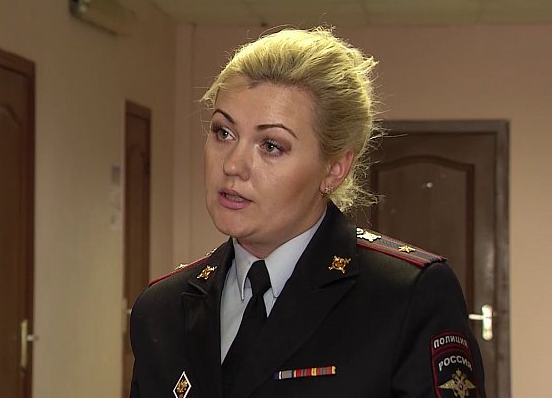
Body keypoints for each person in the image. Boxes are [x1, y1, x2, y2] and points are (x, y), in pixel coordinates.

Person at [129, 27, 486, 398]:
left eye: (271, 145)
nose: (233, 165)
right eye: (223, 133)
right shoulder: (161, 309)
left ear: (334, 168)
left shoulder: (406, 296)